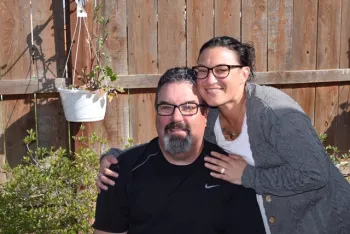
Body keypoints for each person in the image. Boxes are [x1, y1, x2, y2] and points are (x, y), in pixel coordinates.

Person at [97, 37, 350, 234]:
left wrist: (248, 176)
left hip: (321, 220)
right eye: (203, 70)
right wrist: (116, 156)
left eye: (222, 69)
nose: (210, 79)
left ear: (244, 74)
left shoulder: (276, 113)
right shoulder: (213, 115)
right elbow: (175, 131)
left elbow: (315, 174)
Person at [93, 67, 265, 234]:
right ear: (156, 114)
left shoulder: (231, 174)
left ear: (205, 114)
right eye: (166, 107)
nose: (176, 118)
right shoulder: (121, 172)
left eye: (188, 107)